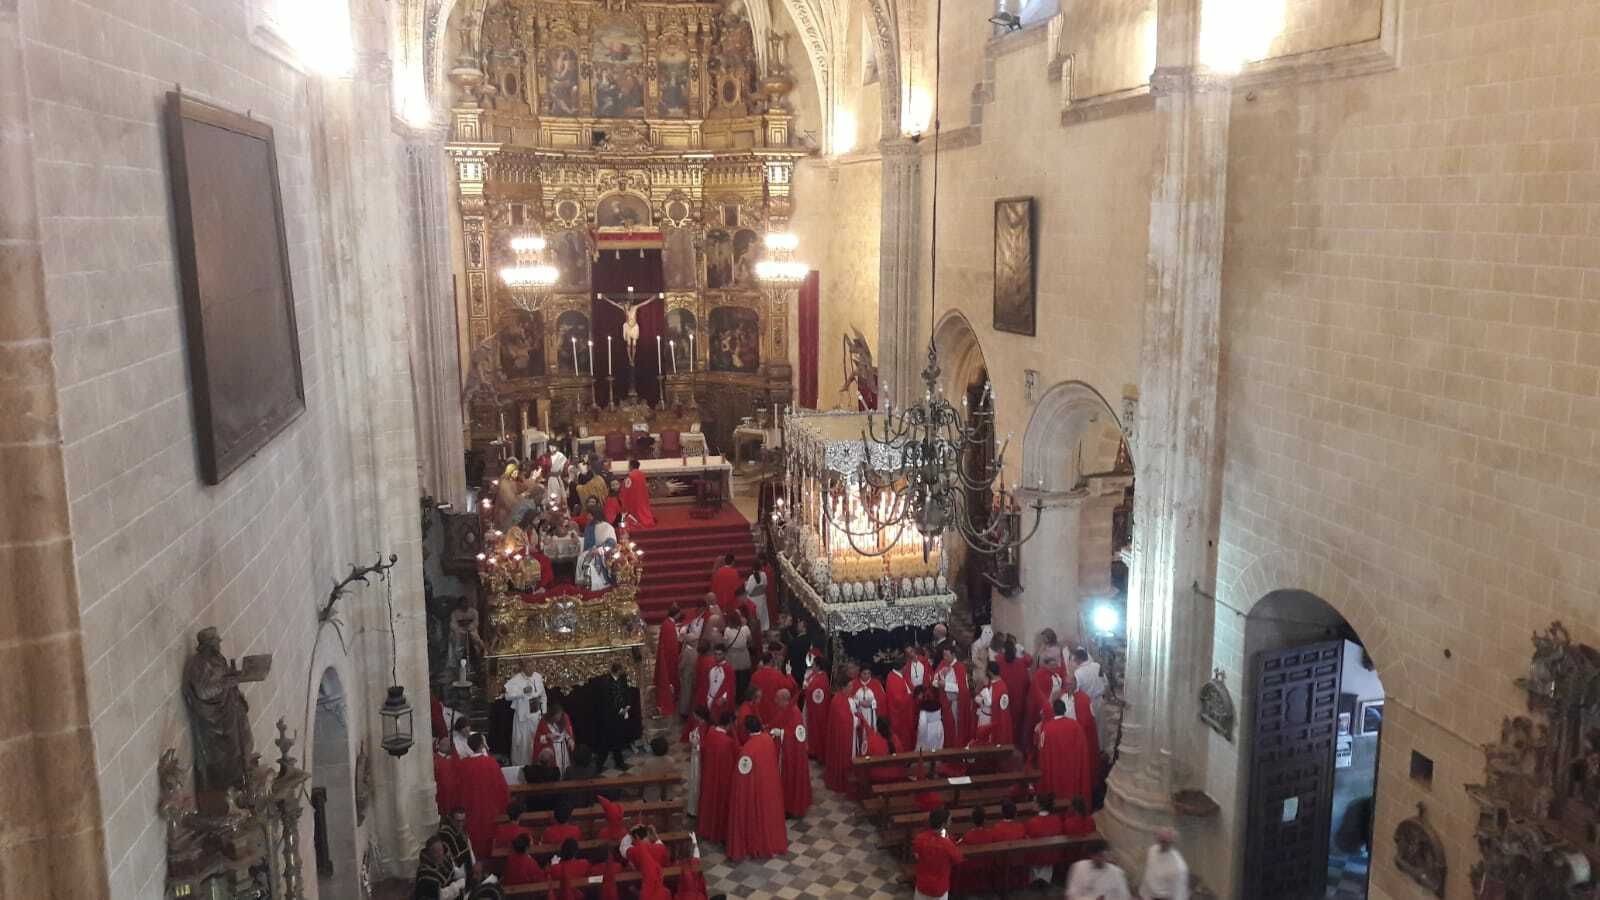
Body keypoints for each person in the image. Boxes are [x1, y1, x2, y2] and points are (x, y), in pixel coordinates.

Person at [726, 715, 788, 860]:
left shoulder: (748, 748)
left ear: (747, 730)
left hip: (757, 788)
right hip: (770, 786)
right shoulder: (768, 739)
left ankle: (758, 843)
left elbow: (741, 776)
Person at [1037, 701, 1094, 830]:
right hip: (1072, 772)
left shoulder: (1047, 728)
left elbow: (1042, 751)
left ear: (1053, 711)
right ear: (1065, 710)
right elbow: (1083, 750)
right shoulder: (1076, 726)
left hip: (1055, 772)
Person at [457, 733, 509, 860]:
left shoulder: (463, 765)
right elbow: (502, 788)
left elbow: (458, 789)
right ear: (482, 745)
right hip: (490, 810)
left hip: (471, 810)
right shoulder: (491, 763)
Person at [696, 711, 738, 843]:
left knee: (709, 802)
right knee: (720, 805)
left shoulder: (711, 732)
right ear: (729, 724)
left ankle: (706, 828)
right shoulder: (727, 742)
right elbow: (732, 762)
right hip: (721, 779)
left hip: (709, 775)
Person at [771, 688, 812, 817]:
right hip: (783, 753)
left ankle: (791, 807)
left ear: (784, 700)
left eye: (777, 698)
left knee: (790, 780)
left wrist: (781, 733)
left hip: (791, 756)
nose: (774, 700)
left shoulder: (794, 713)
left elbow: (797, 736)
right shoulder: (784, 709)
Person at [910, 807, 965, 900]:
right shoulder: (948, 844)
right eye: (949, 820)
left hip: (922, 884)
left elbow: (916, 856)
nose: (951, 822)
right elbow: (958, 860)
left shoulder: (920, 838)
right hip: (939, 888)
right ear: (943, 824)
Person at [503, 660, 546, 767]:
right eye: (529, 665)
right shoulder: (517, 679)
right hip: (523, 718)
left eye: (533, 665)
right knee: (522, 745)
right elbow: (507, 696)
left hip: (536, 716)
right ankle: (522, 767)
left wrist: (544, 712)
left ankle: (537, 765)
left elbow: (543, 696)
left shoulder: (538, 677)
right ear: (523, 667)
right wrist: (522, 692)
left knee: (535, 742)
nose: (531, 668)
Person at [595, 661, 633, 771]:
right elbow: (607, 701)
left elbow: (626, 692)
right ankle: (600, 765)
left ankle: (618, 762)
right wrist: (619, 710)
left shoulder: (622, 679)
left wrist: (627, 705)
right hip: (610, 717)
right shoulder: (605, 683)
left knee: (617, 740)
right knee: (607, 742)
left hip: (620, 715)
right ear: (618, 670)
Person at [823, 670, 857, 793]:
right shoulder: (838, 701)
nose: (852, 688)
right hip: (842, 737)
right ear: (843, 687)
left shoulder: (846, 698)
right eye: (850, 686)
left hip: (848, 735)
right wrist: (856, 720)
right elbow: (844, 721)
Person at [995, 634, 1033, 747]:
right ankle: (1017, 747)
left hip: (1003, 698)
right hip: (1019, 698)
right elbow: (1027, 681)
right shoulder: (1021, 663)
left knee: (1004, 723)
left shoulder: (998, 660)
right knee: (1018, 725)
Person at [934, 642, 972, 747]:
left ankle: (957, 747)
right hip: (946, 703)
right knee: (948, 727)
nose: (944, 658)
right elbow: (934, 681)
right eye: (943, 655)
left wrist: (945, 685)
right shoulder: (942, 665)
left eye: (947, 655)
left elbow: (963, 689)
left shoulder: (960, 667)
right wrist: (941, 675)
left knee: (956, 728)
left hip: (956, 703)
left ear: (953, 655)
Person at [1025, 793, 1067, 887]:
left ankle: (1036, 880)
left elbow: (1027, 839)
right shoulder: (1056, 819)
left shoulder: (1032, 822)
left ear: (1040, 805)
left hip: (1037, 856)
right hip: (1053, 854)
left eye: (1035, 802)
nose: (1033, 804)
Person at [1066, 841, 1131, 900]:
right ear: (1091, 856)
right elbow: (1072, 894)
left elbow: (1124, 896)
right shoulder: (1079, 867)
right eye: (1099, 856)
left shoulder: (1117, 872)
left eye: (1105, 856)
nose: (1103, 859)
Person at [1139, 828, 1190, 900]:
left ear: (1172, 842)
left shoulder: (1179, 867)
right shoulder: (1152, 850)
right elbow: (1148, 874)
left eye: (1165, 841)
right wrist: (1143, 894)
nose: (1161, 843)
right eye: (1160, 840)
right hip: (1148, 896)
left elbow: (1179, 894)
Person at [414, 834, 468, 899]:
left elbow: (452, 872)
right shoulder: (425, 874)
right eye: (435, 852)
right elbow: (441, 896)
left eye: (440, 850)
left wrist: (465, 874)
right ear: (429, 853)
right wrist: (457, 885)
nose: (440, 854)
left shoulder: (444, 859)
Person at [749, 649, 795, 725]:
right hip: (773, 710)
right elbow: (790, 686)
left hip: (759, 709)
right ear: (771, 661)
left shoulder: (755, 675)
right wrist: (789, 674)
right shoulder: (777, 675)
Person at [626, 825, 672, 900]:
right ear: (647, 835)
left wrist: (629, 834)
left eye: (632, 839)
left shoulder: (633, 850)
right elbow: (667, 864)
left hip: (644, 886)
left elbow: (624, 849)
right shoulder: (660, 847)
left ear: (636, 837)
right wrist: (655, 836)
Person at [801, 649, 830, 762]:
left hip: (817, 710)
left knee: (816, 731)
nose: (812, 665)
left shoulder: (820, 679)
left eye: (813, 664)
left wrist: (806, 690)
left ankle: (816, 751)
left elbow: (815, 693)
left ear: (818, 666)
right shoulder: (817, 676)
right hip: (811, 707)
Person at [533, 702, 577, 775]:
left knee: (565, 767)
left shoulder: (564, 717)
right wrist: (547, 736)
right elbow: (538, 738)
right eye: (557, 717)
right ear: (552, 715)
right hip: (552, 748)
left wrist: (570, 739)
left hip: (563, 748)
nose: (559, 718)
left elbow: (568, 731)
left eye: (560, 716)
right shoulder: (544, 721)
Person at [885, 654, 917, 751]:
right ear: (903, 667)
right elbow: (899, 701)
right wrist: (911, 696)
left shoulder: (895, 676)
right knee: (902, 739)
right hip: (900, 717)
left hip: (903, 715)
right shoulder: (894, 679)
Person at [654, 607, 681, 717]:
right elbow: (672, 645)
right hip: (670, 657)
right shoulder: (670, 626)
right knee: (670, 677)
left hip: (666, 655)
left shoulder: (666, 623)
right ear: (677, 614)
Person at [723, 611, 755, 701]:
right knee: (744, 677)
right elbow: (750, 640)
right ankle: (745, 696)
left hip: (732, 656)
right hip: (743, 655)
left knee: (734, 679)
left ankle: (736, 697)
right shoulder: (745, 628)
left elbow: (725, 645)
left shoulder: (727, 630)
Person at [684, 707, 709, 818]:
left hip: (698, 758)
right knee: (694, 781)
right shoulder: (700, 725)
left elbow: (704, 745)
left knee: (696, 781)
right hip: (695, 756)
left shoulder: (704, 727)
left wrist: (695, 745)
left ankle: (694, 810)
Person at [699, 644, 735, 719]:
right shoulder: (711, 666)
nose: (717, 656)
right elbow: (706, 683)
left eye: (720, 654)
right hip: (709, 698)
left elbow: (730, 686)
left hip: (719, 701)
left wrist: (724, 698)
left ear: (724, 654)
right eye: (715, 654)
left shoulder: (728, 669)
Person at [618, 458, 657, 528]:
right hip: (642, 498)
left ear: (631, 466)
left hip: (634, 499)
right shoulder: (642, 474)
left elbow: (626, 488)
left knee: (635, 513)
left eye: (629, 466)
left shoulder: (630, 476)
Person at [914, 682, 945, 751]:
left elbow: (922, 726)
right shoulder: (937, 704)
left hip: (928, 732)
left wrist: (920, 741)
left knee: (927, 756)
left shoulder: (923, 711)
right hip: (939, 728)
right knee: (938, 753)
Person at [744, 564, 771, 632]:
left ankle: (757, 629)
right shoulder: (764, 574)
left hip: (754, 599)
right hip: (761, 597)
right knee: (763, 614)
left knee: (756, 615)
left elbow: (748, 589)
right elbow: (765, 585)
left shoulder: (751, 577)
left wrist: (745, 584)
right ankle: (764, 628)